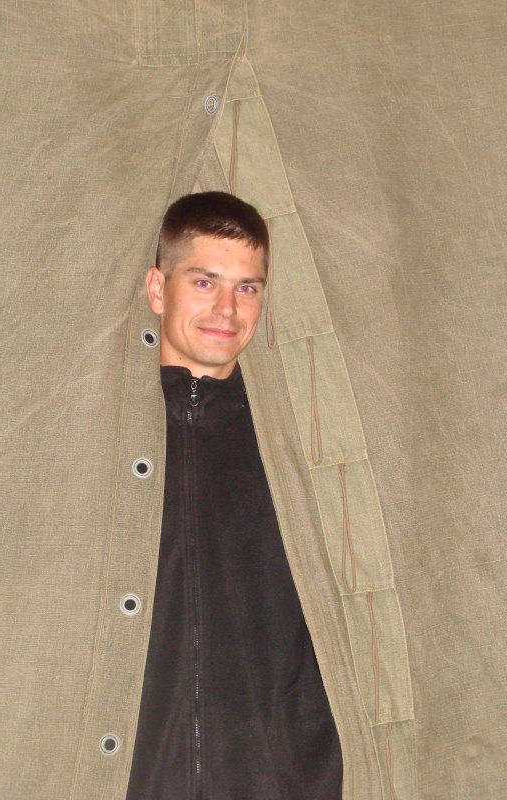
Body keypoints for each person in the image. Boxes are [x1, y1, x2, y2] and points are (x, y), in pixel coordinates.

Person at [125, 191, 343, 799]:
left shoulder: (294, 452)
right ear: (158, 289)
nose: (227, 309)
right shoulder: (111, 447)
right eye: (204, 282)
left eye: (247, 288)